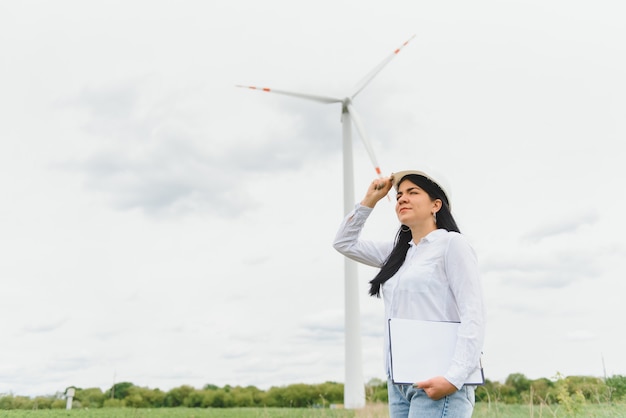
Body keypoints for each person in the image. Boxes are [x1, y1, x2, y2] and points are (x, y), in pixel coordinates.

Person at [333, 170, 485, 418]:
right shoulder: (397, 253)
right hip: (400, 379)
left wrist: (453, 378)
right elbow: (344, 243)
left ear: (436, 204)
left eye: (413, 193)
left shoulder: (451, 244)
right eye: (400, 194)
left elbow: (473, 313)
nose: (402, 198)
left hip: (439, 376)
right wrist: (369, 200)